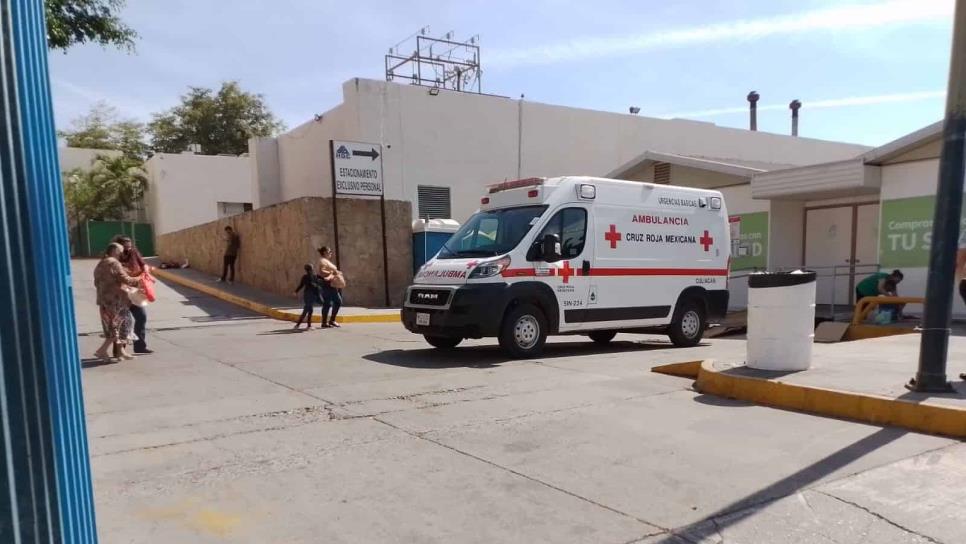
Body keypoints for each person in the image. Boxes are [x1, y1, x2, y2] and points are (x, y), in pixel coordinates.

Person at [93, 243, 142, 361]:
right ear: (114, 250)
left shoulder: (101, 263)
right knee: (116, 327)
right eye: (120, 250)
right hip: (115, 301)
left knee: (121, 326)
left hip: (105, 301)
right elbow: (125, 279)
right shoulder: (114, 263)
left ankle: (121, 351)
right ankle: (101, 351)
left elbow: (96, 283)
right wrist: (140, 279)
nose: (122, 253)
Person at [114, 236, 152, 354]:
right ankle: (120, 350)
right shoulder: (115, 257)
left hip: (135, 292)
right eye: (125, 246)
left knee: (141, 317)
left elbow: (143, 264)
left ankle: (140, 346)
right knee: (123, 322)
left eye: (129, 245)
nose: (128, 248)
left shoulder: (134, 252)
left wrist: (145, 270)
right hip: (122, 293)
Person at [317, 246, 343, 328]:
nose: (331, 253)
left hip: (329, 284)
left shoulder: (325, 261)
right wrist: (332, 273)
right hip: (328, 284)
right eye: (329, 251)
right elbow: (322, 271)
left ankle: (325, 322)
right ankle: (331, 320)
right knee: (337, 301)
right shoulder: (323, 261)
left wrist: (336, 272)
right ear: (325, 252)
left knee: (328, 303)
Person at [294, 264, 320, 330]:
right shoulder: (313, 276)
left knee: (309, 310)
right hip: (311, 295)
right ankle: (299, 325)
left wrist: (296, 291)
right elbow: (316, 285)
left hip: (307, 294)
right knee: (307, 310)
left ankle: (308, 325)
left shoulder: (305, 277)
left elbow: (301, 285)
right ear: (311, 269)